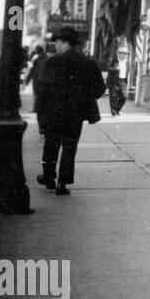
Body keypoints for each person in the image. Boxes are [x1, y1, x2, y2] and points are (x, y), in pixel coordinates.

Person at [35, 26, 105, 196]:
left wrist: (41, 112)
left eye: (57, 43)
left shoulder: (52, 62)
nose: (55, 46)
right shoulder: (88, 62)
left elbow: (42, 89)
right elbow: (100, 88)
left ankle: (49, 177)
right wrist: (85, 99)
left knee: (51, 145)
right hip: (76, 113)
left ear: (65, 43)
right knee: (69, 147)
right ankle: (62, 183)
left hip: (54, 112)